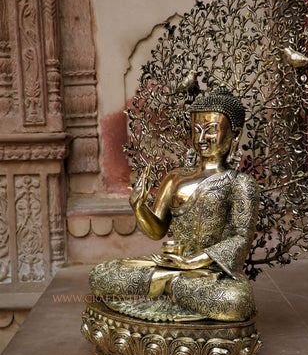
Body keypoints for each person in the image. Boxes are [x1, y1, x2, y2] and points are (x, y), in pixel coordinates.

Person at [89, 86, 259, 322]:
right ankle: (172, 286)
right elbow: (157, 230)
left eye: (210, 131)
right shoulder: (175, 177)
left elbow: (240, 239)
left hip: (209, 273)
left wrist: (192, 262)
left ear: (234, 135)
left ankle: (169, 288)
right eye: (196, 130)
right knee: (102, 275)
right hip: (168, 266)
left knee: (235, 301)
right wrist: (139, 206)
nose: (200, 139)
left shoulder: (241, 184)